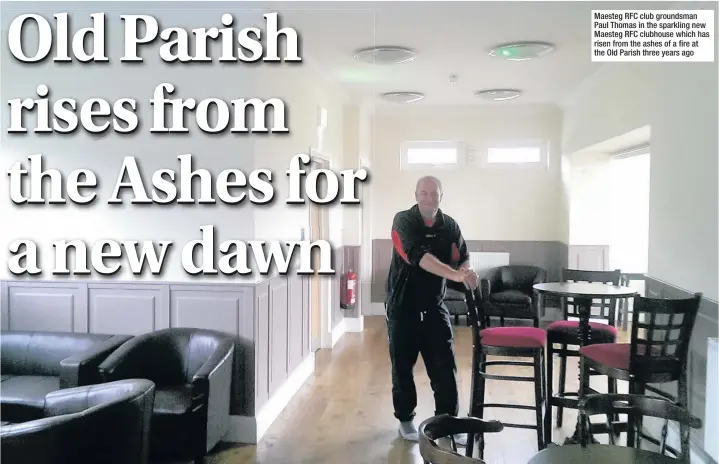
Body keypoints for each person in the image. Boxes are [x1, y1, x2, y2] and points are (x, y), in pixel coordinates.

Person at [385, 175, 479, 442]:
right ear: (416, 195)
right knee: (403, 366)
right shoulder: (403, 221)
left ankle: (447, 422)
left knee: (444, 366)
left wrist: (465, 271)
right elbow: (419, 258)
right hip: (403, 307)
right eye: (424, 193)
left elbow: (462, 257)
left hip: (435, 306)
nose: (429, 198)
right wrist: (456, 275)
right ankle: (405, 419)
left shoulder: (450, 225)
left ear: (441, 196)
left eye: (434, 194)